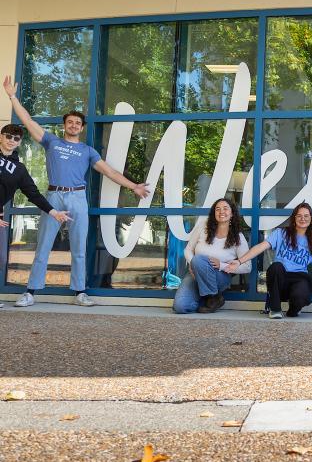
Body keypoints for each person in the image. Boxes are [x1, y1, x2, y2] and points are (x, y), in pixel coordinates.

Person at [3, 76, 151, 307]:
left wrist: (134, 186)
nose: (73, 126)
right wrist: (12, 96)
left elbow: (109, 172)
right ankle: (30, 292)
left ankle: (80, 292)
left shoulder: (87, 150)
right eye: (69, 122)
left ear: (81, 128)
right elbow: (28, 121)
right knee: (43, 245)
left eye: (77, 123)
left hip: (77, 197)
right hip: (53, 196)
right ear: (65, 126)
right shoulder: (52, 142)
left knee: (79, 247)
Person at [0, 123, 71, 308]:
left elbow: (33, 194)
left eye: (16, 138)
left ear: (19, 142)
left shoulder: (19, 169)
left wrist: (54, 212)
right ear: (1, 136)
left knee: (1, 257)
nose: (11, 141)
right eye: (8, 136)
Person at [229, 202, 312, 319]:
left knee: (299, 298)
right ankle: (275, 309)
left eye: (306, 216)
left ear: (311, 219)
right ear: (294, 218)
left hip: (299, 278)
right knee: (276, 266)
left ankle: (294, 308)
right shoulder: (281, 233)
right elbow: (260, 247)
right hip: (281, 277)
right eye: (299, 216)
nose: (302, 219)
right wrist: (239, 261)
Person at [173, 197, 252, 314]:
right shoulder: (203, 227)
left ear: (232, 213)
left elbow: (247, 267)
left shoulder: (237, 237)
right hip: (195, 274)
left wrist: (222, 265)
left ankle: (214, 296)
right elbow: (188, 249)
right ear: (213, 213)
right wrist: (192, 264)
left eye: (225, 209)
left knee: (199, 259)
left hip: (219, 277)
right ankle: (208, 299)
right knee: (180, 307)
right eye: (217, 209)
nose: (221, 212)